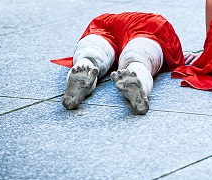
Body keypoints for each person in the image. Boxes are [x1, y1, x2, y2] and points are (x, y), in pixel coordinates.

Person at [52, 12, 184, 114]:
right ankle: (139, 84)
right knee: (137, 58)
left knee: (91, 54)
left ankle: (83, 69)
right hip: (151, 28)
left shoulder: (105, 20)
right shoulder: (159, 24)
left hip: (104, 24)